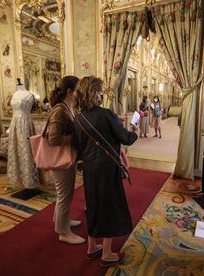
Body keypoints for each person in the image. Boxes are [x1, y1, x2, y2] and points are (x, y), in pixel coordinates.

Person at [73, 76, 138, 267]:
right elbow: (125, 138)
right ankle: (107, 253)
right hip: (107, 167)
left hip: (90, 168)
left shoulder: (78, 117)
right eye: (100, 90)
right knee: (110, 205)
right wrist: (135, 131)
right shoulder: (105, 113)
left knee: (93, 204)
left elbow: (78, 148)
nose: (102, 93)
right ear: (94, 92)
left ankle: (92, 247)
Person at [47, 76, 85, 244]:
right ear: (70, 91)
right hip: (60, 160)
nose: (79, 93)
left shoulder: (67, 107)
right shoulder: (60, 110)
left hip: (65, 158)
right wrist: (74, 138)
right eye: (77, 90)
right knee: (65, 195)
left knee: (64, 194)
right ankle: (63, 232)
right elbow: (53, 139)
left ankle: (62, 221)